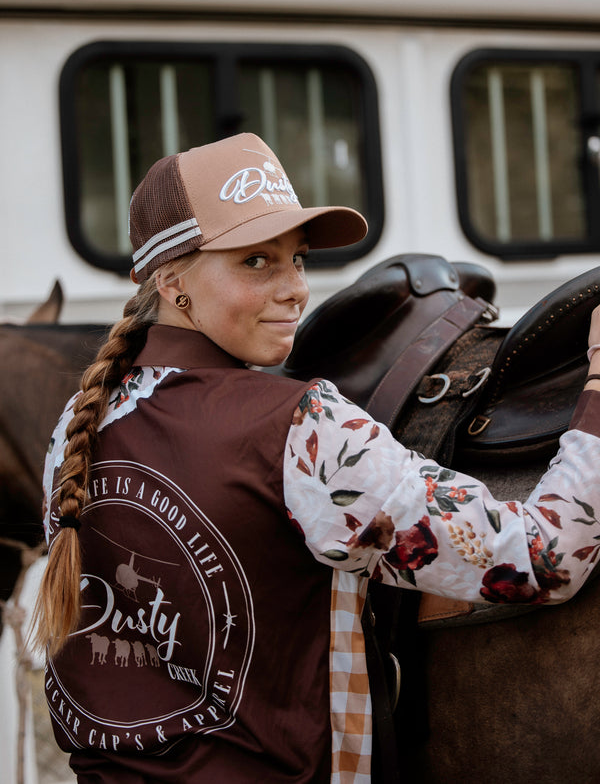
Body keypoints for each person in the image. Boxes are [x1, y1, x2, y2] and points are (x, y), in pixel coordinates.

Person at [32, 132, 600, 784]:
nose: (295, 289)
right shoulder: (301, 430)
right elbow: (544, 557)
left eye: (296, 259)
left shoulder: (77, 426)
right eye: (255, 262)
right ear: (172, 280)